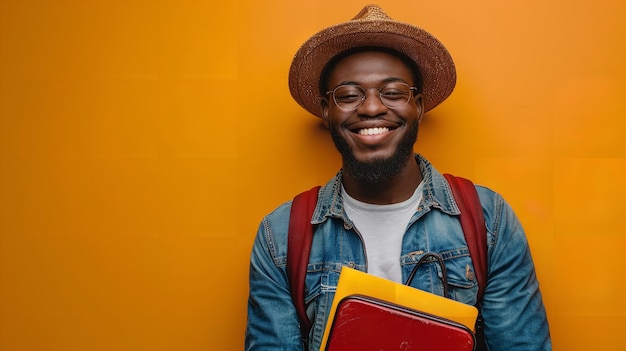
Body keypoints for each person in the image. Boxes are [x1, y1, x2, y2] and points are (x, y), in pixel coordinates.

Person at [245, 4, 551, 351]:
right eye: (348, 95)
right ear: (326, 111)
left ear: (418, 106)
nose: (372, 107)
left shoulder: (487, 220)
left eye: (393, 92)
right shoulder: (281, 237)